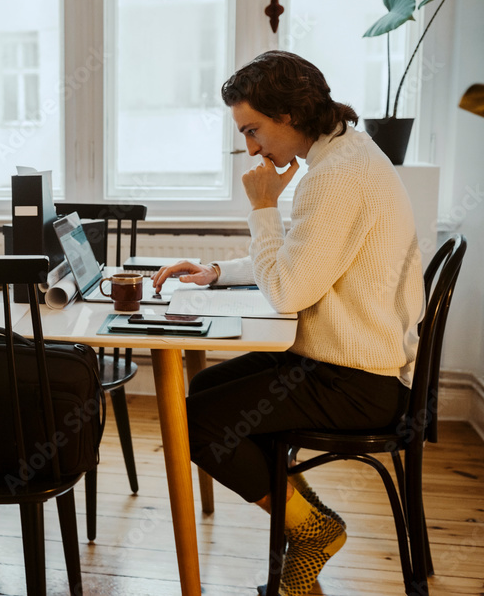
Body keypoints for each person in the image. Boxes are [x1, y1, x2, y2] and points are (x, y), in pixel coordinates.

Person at [151, 51, 423, 596]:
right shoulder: (345, 154)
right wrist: (216, 273)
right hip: (353, 364)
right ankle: (304, 516)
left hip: (358, 383)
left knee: (197, 424)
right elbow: (302, 258)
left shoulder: (337, 177)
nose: (252, 149)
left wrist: (262, 208)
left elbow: (288, 291)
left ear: (289, 114)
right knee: (205, 389)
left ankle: (313, 531)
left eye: (252, 130)